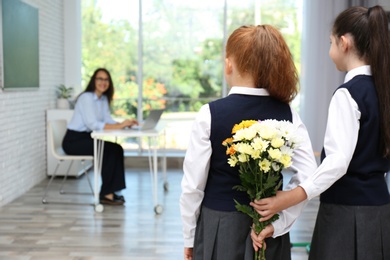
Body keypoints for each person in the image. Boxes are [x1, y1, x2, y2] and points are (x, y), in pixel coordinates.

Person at [251, 5, 390, 260]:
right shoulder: (383, 90)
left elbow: (338, 162)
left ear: (344, 42)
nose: (330, 51)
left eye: (330, 42)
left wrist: (293, 195)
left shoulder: (348, 94)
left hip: (345, 213)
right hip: (380, 211)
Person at [179, 25, 317, 260]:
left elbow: (193, 187)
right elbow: (309, 177)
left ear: (230, 63)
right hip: (268, 227)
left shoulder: (210, 114)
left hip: (219, 226)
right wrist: (280, 222)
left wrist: (189, 237)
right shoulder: (288, 113)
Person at [62, 68, 138, 205]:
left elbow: (107, 120)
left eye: (106, 79)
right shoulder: (86, 98)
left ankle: (114, 190)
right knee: (107, 150)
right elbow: (93, 124)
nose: (103, 82)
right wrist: (119, 126)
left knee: (116, 148)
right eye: (100, 79)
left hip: (86, 138)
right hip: (73, 141)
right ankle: (106, 194)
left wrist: (124, 124)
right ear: (94, 81)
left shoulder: (102, 99)